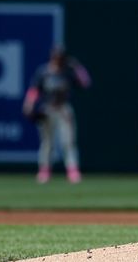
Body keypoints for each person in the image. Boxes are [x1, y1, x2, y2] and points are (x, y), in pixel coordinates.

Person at [22, 45, 91, 184]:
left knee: (68, 142)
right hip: (47, 109)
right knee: (47, 143)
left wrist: (77, 66)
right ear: (51, 57)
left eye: (60, 57)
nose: (58, 59)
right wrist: (28, 104)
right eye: (56, 56)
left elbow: (86, 83)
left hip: (63, 109)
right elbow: (35, 89)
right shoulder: (44, 72)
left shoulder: (68, 72)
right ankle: (44, 171)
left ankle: (73, 171)